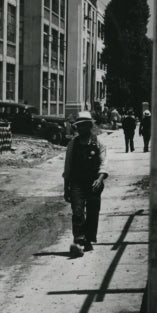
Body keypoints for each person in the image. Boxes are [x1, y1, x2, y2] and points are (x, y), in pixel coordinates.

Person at [62, 111, 108, 258]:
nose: (80, 129)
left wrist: (99, 179)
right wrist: (66, 187)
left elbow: (104, 163)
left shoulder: (98, 143)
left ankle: (88, 238)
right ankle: (78, 239)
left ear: (89, 126)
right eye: (78, 126)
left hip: (94, 182)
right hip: (76, 182)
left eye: (84, 126)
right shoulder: (72, 144)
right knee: (77, 211)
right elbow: (67, 167)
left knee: (93, 211)